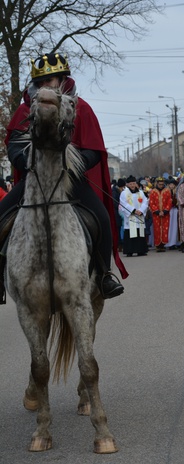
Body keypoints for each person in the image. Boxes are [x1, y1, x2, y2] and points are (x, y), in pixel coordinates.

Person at [1, 52, 126, 299]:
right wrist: (27, 160)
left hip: (71, 181)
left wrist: (72, 164)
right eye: (44, 82)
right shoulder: (25, 110)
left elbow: (93, 149)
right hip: (34, 180)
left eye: (53, 79)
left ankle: (103, 275)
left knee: (100, 218)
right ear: (37, 84)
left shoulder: (82, 109)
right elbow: (15, 146)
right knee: (1, 214)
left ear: (62, 80)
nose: (49, 86)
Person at [120, 175, 149, 256]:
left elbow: (145, 202)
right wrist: (133, 210)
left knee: (140, 232)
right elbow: (123, 204)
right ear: (127, 185)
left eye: (134, 183)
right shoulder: (124, 193)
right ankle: (130, 251)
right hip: (130, 216)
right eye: (130, 184)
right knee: (130, 232)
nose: (132, 185)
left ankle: (141, 250)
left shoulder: (141, 192)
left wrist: (141, 210)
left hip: (139, 215)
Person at [148, 176, 172, 252]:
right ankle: (158, 245)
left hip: (165, 213)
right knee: (157, 229)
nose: (161, 185)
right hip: (156, 214)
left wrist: (165, 210)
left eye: (162, 184)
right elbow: (151, 203)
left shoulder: (167, 191)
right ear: (157, 184)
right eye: (159, 184)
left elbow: (169, 201)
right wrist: (157, 211)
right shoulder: (153, 191)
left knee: (165, 229)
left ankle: (163, 244)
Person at [112, 178, 126, 251]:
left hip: (118, 212)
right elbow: (115, 203)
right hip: (116, 213)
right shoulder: (115, 192)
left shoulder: (117, 191)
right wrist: (121, 207)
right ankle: (119, 244)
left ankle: (120, 243)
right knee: (117, 229)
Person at [165, 179, 180, 250]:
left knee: (175, 226)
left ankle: (175, 242)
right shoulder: (166, 192)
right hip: (169, 210)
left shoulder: (177, 192)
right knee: (169, 227)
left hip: (175, 210)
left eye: (173, 184)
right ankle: (169, 242)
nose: (171, 186)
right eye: (170, 184)